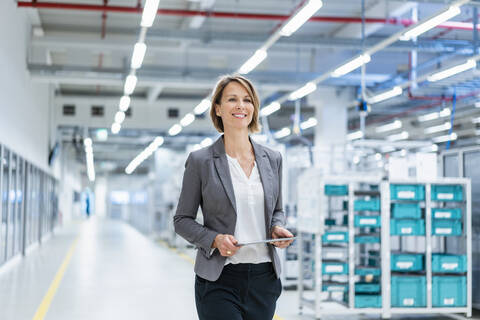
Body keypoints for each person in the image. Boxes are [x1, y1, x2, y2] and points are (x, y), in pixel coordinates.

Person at [173, 74, 294, 320]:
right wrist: (215, 239)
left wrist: (277, 227)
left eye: (247, 100)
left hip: (264, 279)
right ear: (218, 108)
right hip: (219, 279)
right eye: (232, 99)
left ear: (254, 108)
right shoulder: (201, 161)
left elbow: (277, 210)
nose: (241, 106)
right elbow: (182, 220)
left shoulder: (272, 159)